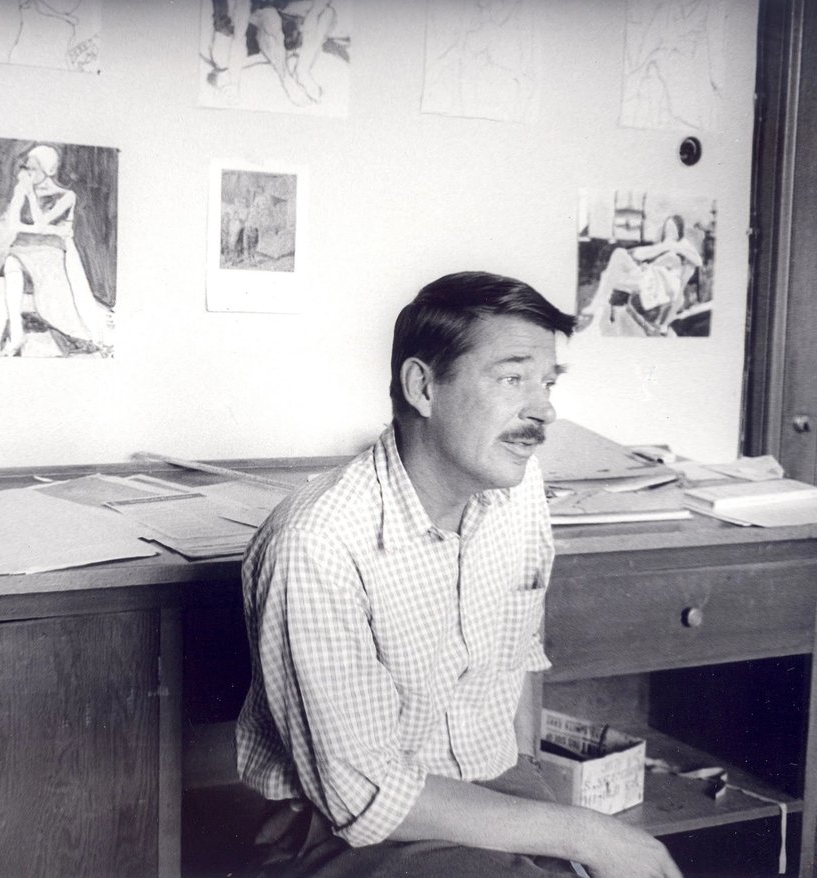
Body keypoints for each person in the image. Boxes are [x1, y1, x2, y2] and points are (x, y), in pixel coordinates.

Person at [236, 272, 682, 877]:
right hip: (340, 823)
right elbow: (364, 794)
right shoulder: (317, 543)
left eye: (548, 382)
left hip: (483, 780)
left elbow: (520, 661)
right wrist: (584, 834)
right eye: (512, 377)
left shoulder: (517, 490)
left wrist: (535, 797)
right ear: (423, 387)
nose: (544, 408)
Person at [0, 144, 113, 356]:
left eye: (33, 169)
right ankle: (13, 333)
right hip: (26, 249)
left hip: (51, 252)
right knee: (4, 275)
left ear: (49, 170)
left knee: (8, 270)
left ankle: (9, 337)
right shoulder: (22, 190)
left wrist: (33, 203)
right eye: (26, 168)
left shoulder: (65, 195)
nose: (27, 173)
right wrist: (35, 218)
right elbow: (12, 224)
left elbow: (42, 223)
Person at [211, 0, 338, 106]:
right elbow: (238, 37)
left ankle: (302, 70)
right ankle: (286, 79)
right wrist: (234, 84)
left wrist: (312, 16)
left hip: (281, 13)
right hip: (256, 23)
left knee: (327, 13)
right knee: (271, 19)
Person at [593, 215, 702, 337]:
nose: (669, 230)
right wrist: (648, 262)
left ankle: (599, 303)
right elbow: (646, 255)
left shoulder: (682, 244)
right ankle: (601, 302)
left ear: (679, 229)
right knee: (619, 256)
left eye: (672, 227)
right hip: (649, 274)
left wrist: (676, 248)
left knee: (618, 266)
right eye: (667, 227)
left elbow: (698, 261)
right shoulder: (663, 244)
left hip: (660, 282)